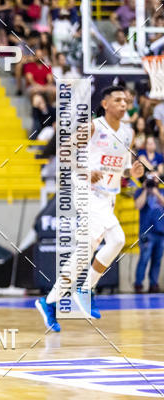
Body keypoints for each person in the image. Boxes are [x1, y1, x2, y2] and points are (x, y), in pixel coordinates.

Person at [35, 86, 145, 332]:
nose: (123, 104)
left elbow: (120, 169)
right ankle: (84, 290)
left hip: (108, 197)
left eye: (125, 100)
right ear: (105, 104)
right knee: (102, 242)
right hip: (87, 192)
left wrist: (132, 172)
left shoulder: (128, 133)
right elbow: (63, 150)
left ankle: (51, 301)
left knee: (107, 244)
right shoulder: (94, 127)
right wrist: (84, 170)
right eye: (117, 100)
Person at [134, 175, 164, 293]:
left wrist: (156, 193)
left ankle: (153, 284)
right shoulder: (140, 191)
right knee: (144, 258)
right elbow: (138, 205)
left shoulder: (161, 191)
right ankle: (138, 284)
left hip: (160, 232)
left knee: (157, 260)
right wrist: (145, 190)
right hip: (146, 232)